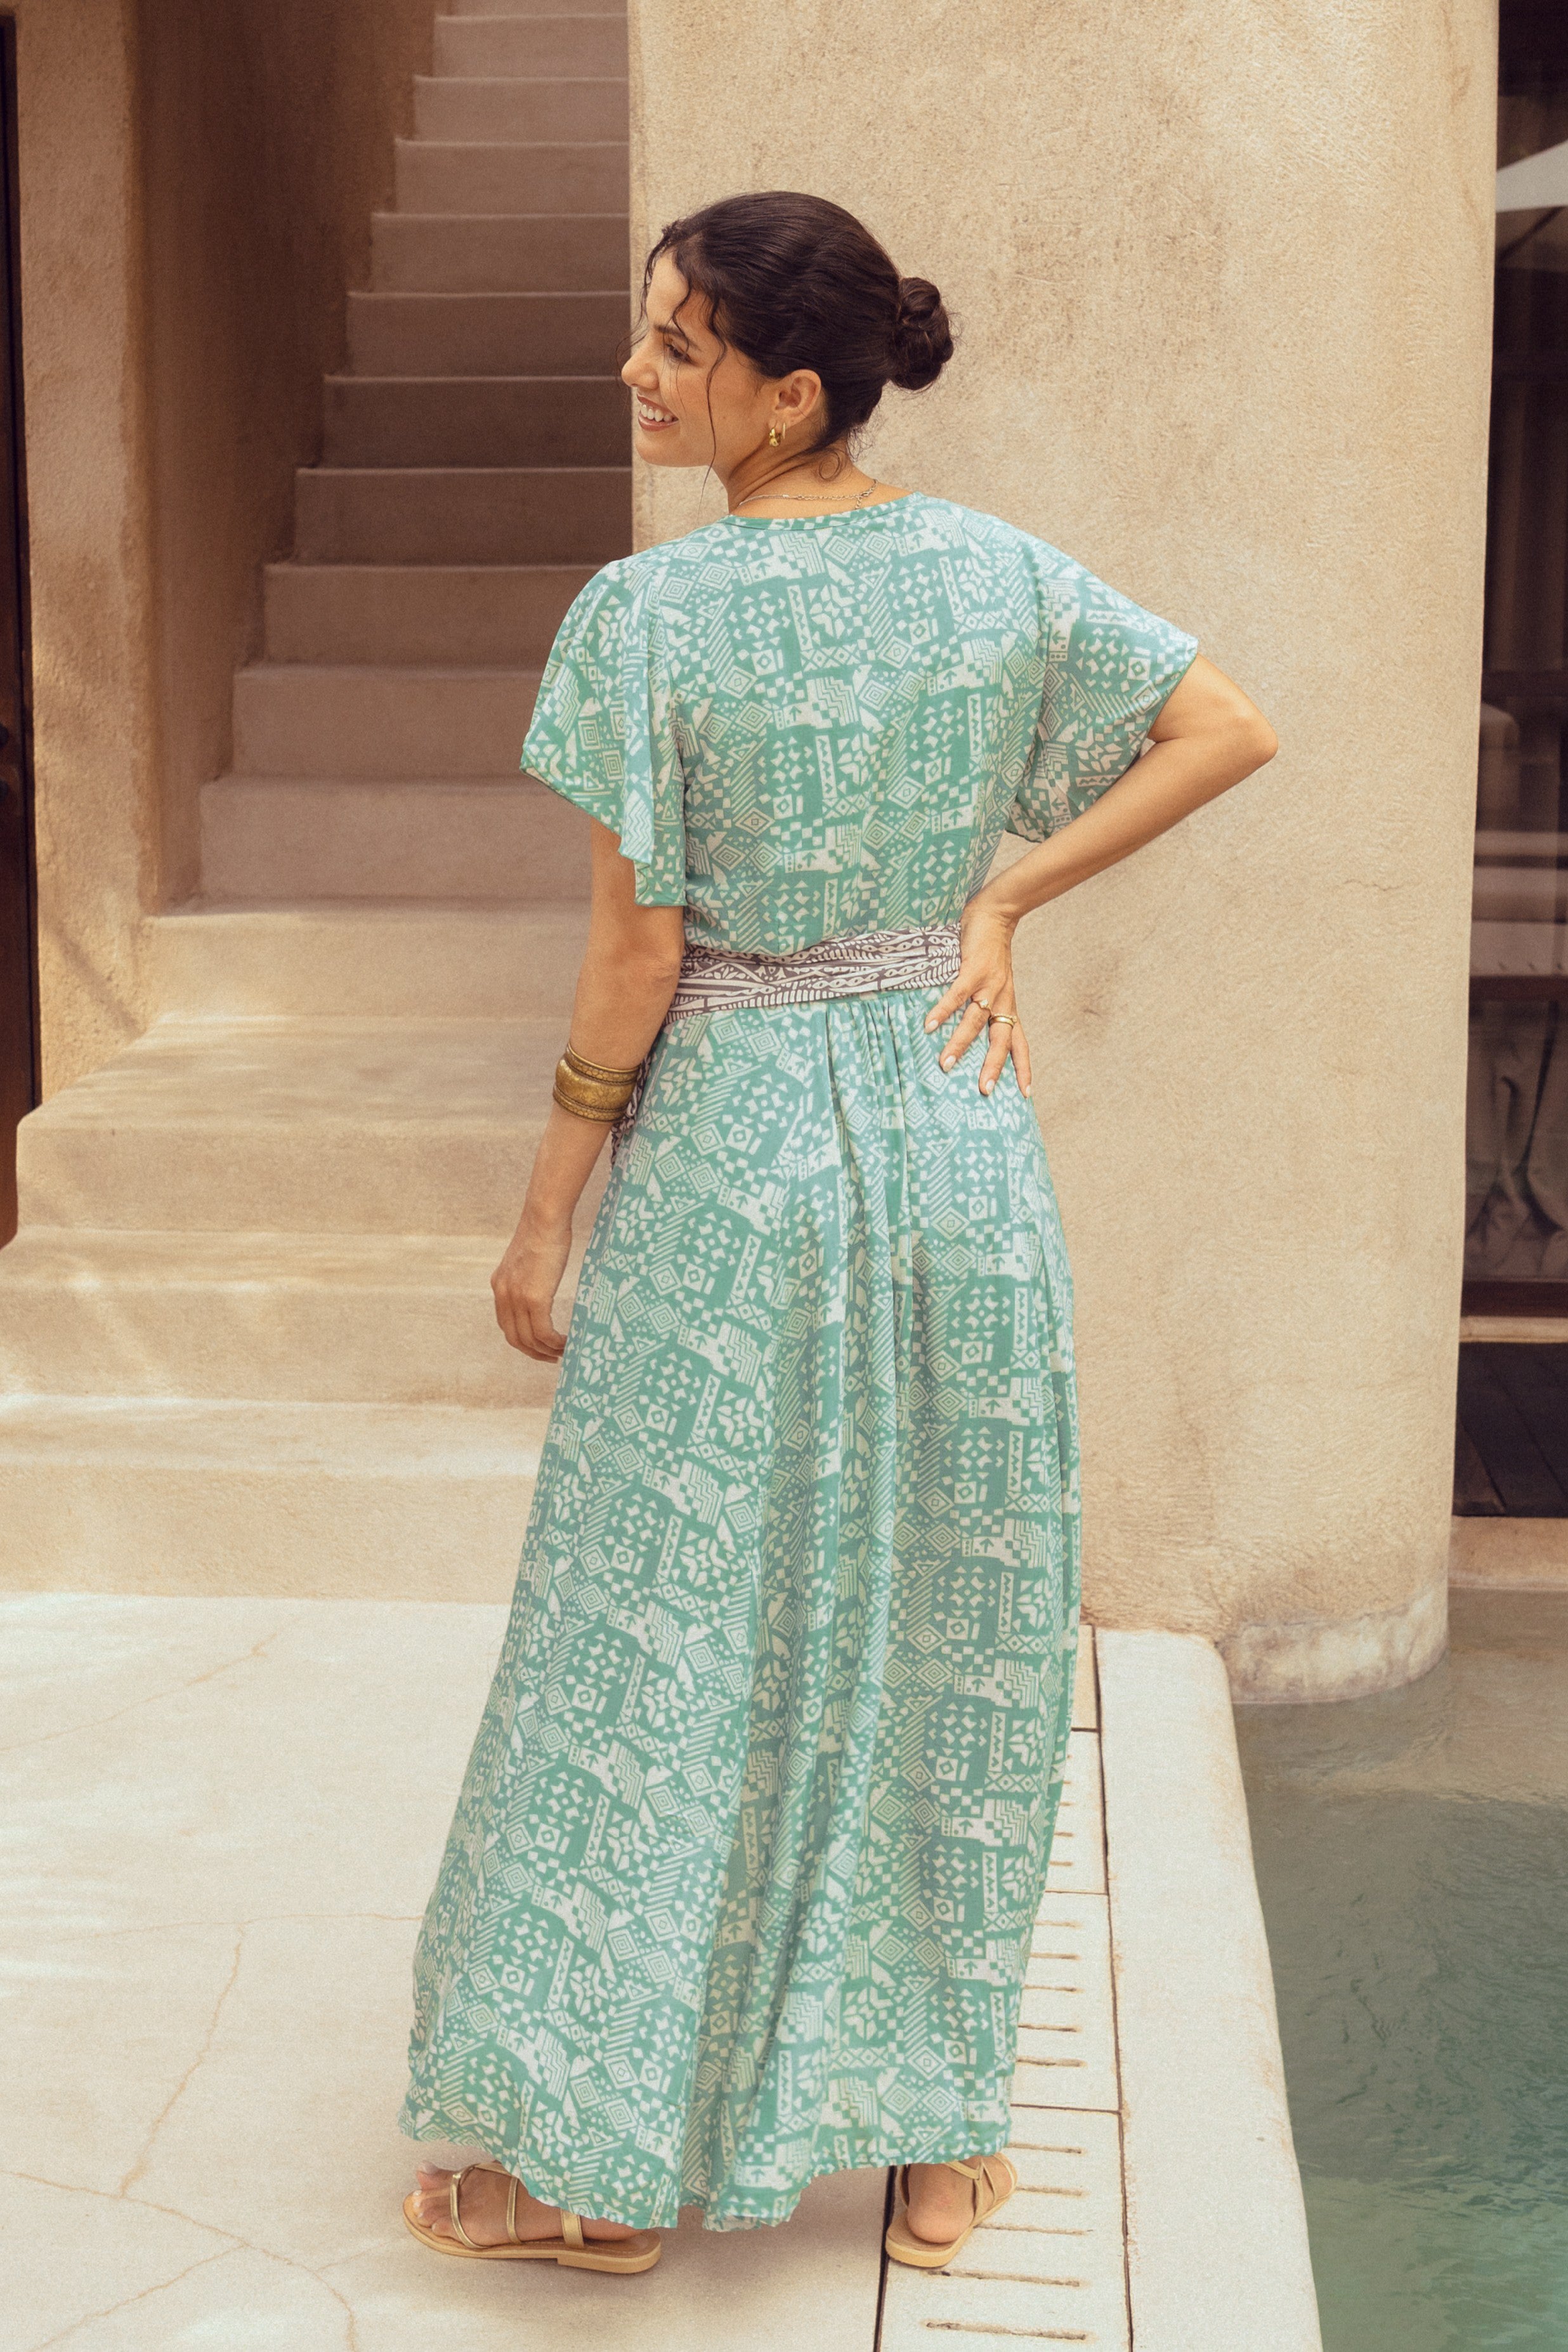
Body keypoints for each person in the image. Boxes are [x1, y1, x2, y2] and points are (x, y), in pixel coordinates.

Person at [398, 190, 1276, 2275]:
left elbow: (638, 963)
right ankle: (943, 2146)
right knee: (949, 1629)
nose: (638, 372)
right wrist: (999, 897)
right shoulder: (993, 571)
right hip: (956, 1148)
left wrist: (542, 1218)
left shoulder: (649, 617)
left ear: (790, 392)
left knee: (662, 1643)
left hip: (736, 1171)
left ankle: (609, 2169)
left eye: (677, 347)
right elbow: (1228, 723)